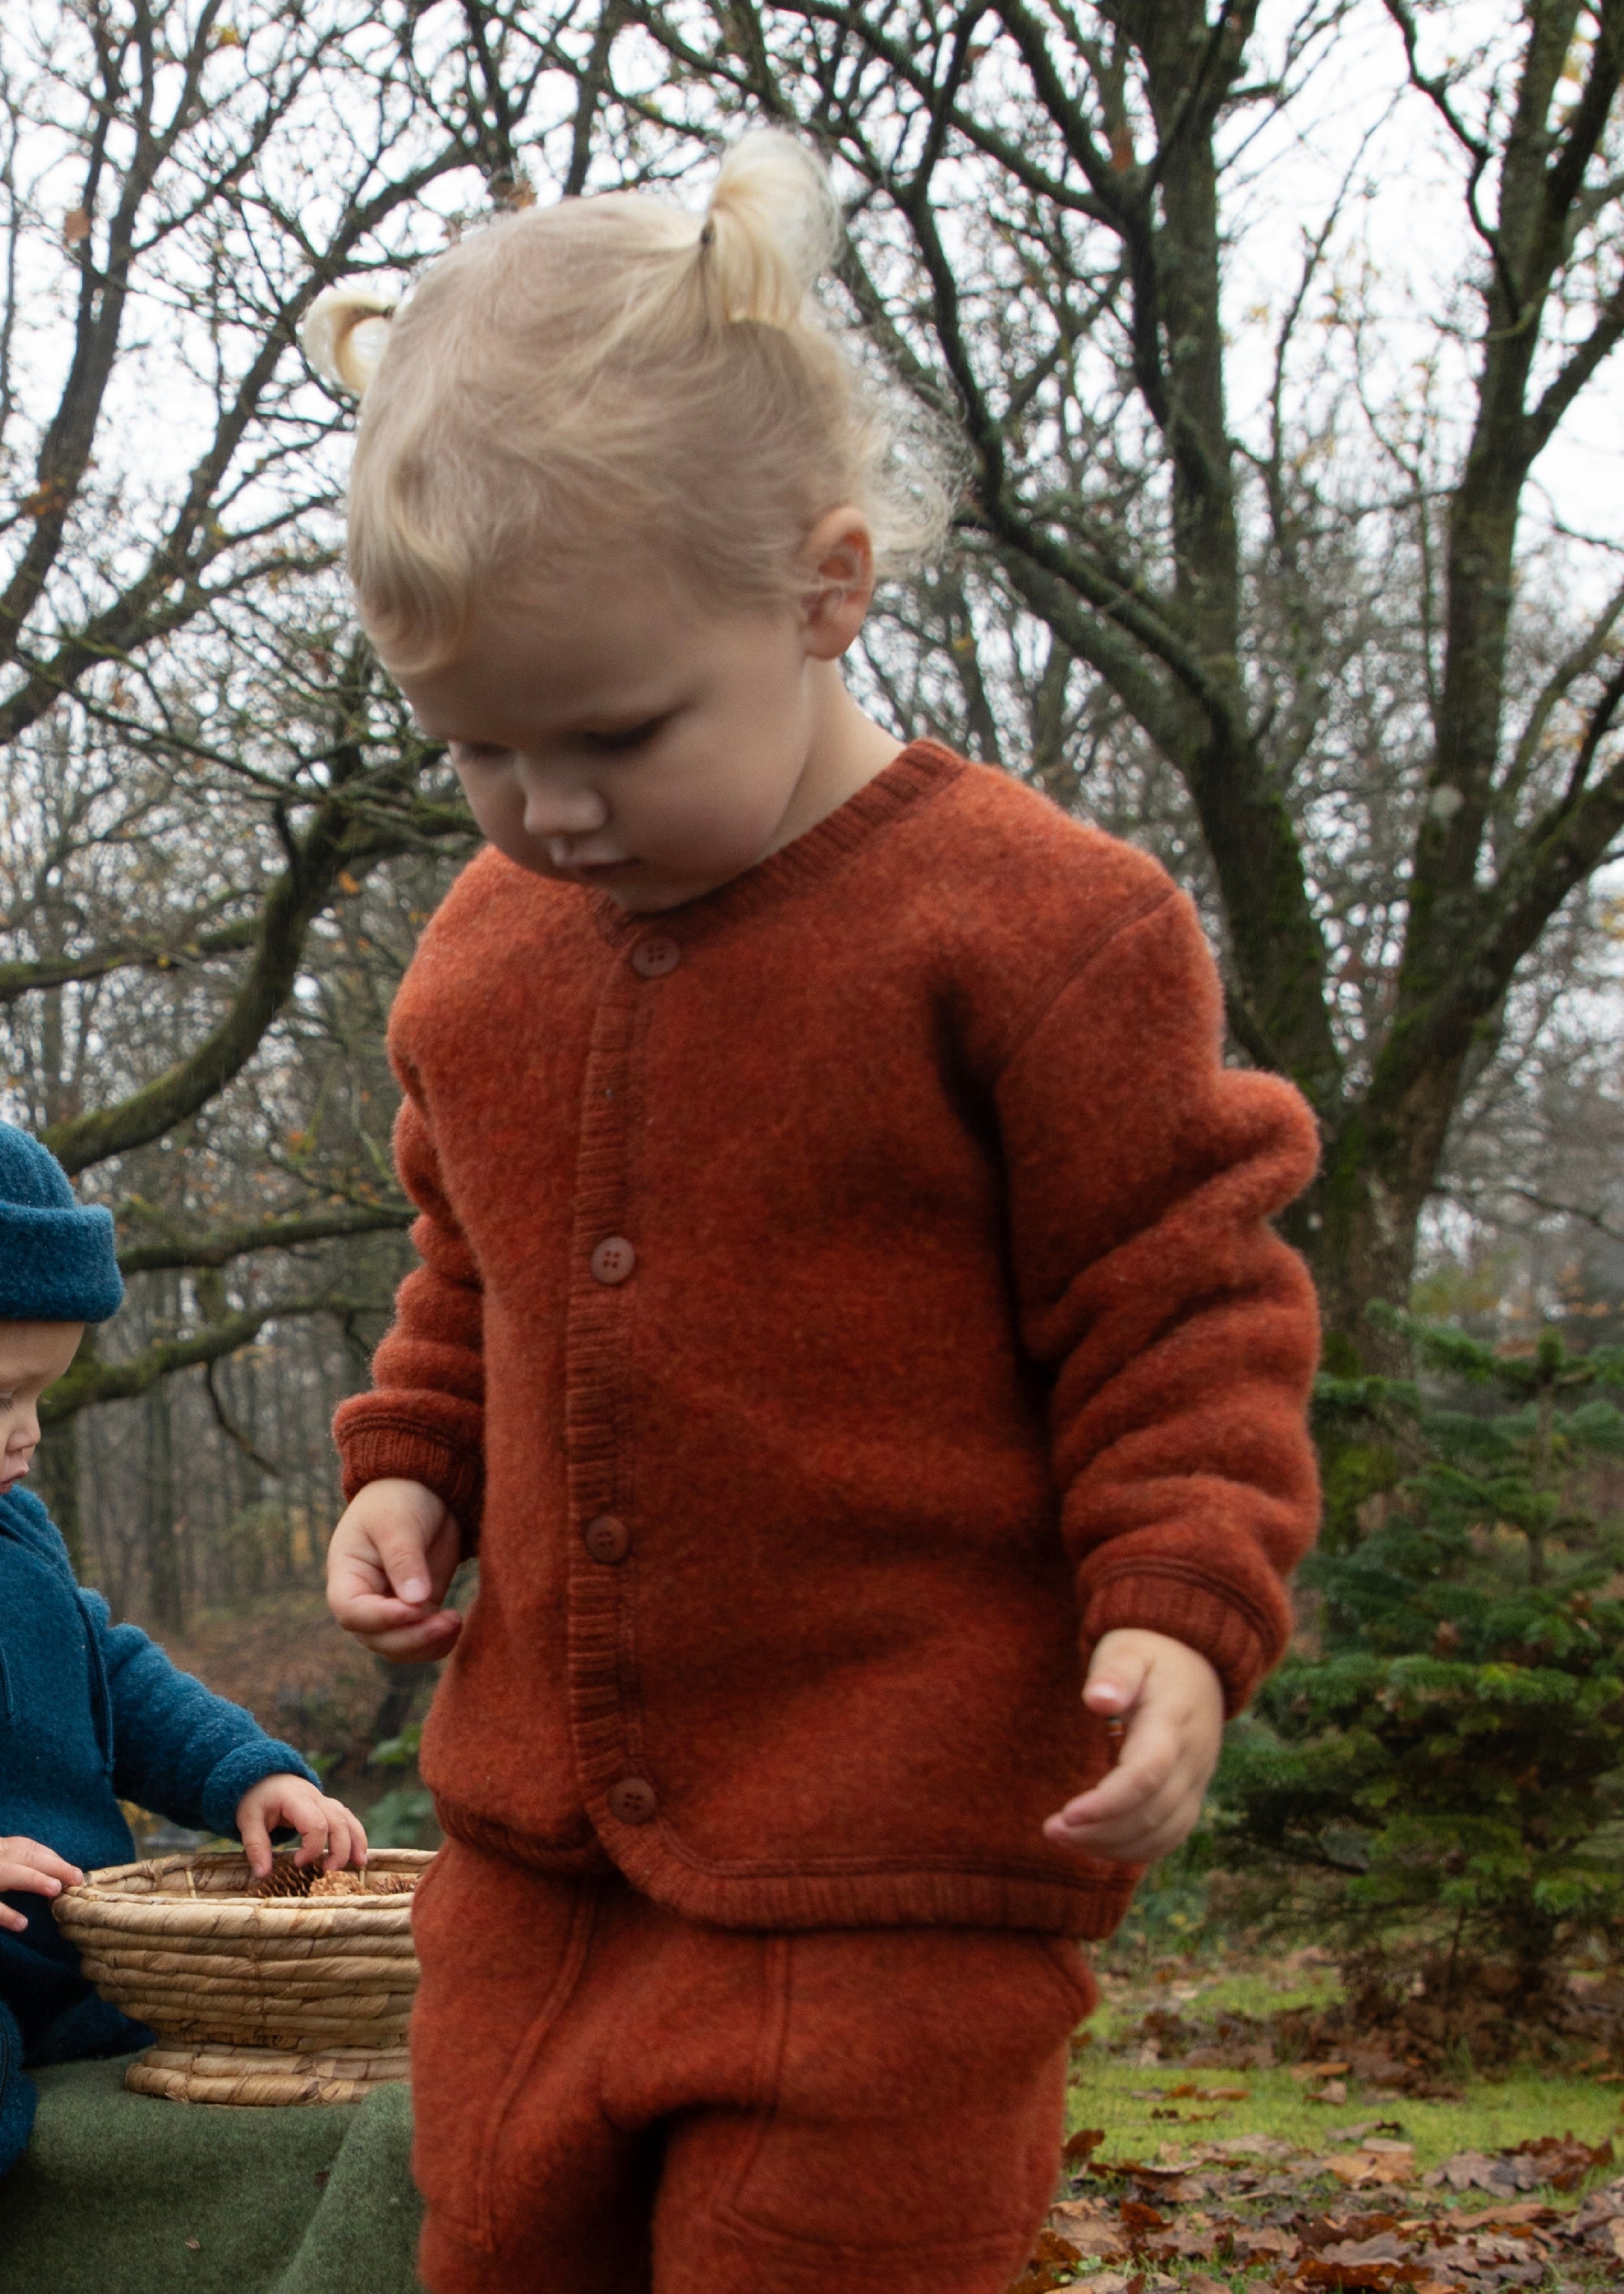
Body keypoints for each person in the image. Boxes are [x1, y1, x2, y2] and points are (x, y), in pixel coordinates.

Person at [309, 129, 1321, 2294]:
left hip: (903, 1872)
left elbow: (1183, 1303)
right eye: (477, 750)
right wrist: (409, 1466)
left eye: (614, 732)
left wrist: (1181, 1594)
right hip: (531, 1878)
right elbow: (465, 1266)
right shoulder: (482, 957)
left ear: (826, 588)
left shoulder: (1039, 933)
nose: (549, 811)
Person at [0, 1122, 369, 2178]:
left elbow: (108, 1671)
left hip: (83, 1971)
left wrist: (238, 1768)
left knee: (258, 2044)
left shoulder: (18, 1528)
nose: (28, 1433)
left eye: (40, 1396)